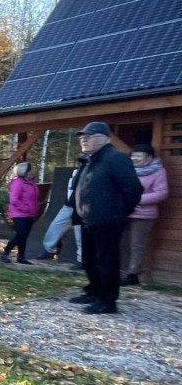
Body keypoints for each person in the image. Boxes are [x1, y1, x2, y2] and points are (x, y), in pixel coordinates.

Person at [69, 122, 143, 315]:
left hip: (108, 221)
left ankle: (108, 302)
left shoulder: (115, 158)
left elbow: (134, 190)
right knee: (89, 259)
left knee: (107, 261)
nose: (84, 139)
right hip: (88, 220)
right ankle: (94, 291)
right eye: (82, 136)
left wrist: (117, 213)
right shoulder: (90, 160)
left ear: (104, 138)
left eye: (89, 136)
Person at [120, 143, 169, 286]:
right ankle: (118, 270)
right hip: (123, 212)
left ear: (149, 158)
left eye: (138, 155)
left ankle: (133, 275)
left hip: (144, 214)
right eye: (133, 155)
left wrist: (137, 200)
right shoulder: (127, 169)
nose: (134, 158)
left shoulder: (159, 171)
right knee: (119, 241)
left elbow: (162, 193)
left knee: (137, 245)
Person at [35, 159, 84, 267]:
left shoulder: (89, 175)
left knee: (80, 234)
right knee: (56, 225)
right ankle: (49, 250)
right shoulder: (75, 175)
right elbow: (70, 191)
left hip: (81, 207)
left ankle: (81, 260)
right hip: (68, 206)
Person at [0, 162, 40, 264]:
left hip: (29, 214)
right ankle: (5, 252)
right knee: (21, 235)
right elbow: (14, 200)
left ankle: (21, 256)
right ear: (24, 172)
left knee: (24, 236)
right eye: (30, 170)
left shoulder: (31, 183)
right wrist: (26, 208)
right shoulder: (18, 183)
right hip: (20, 214)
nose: (32, 172)